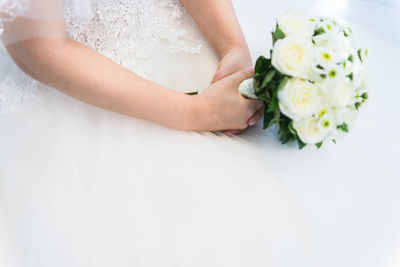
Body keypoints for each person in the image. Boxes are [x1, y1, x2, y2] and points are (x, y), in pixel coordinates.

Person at [0, 1, 314, 266]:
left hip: (182, 30)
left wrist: (233, 48)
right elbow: (39, 48)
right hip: (81, 83)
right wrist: (197, 112)